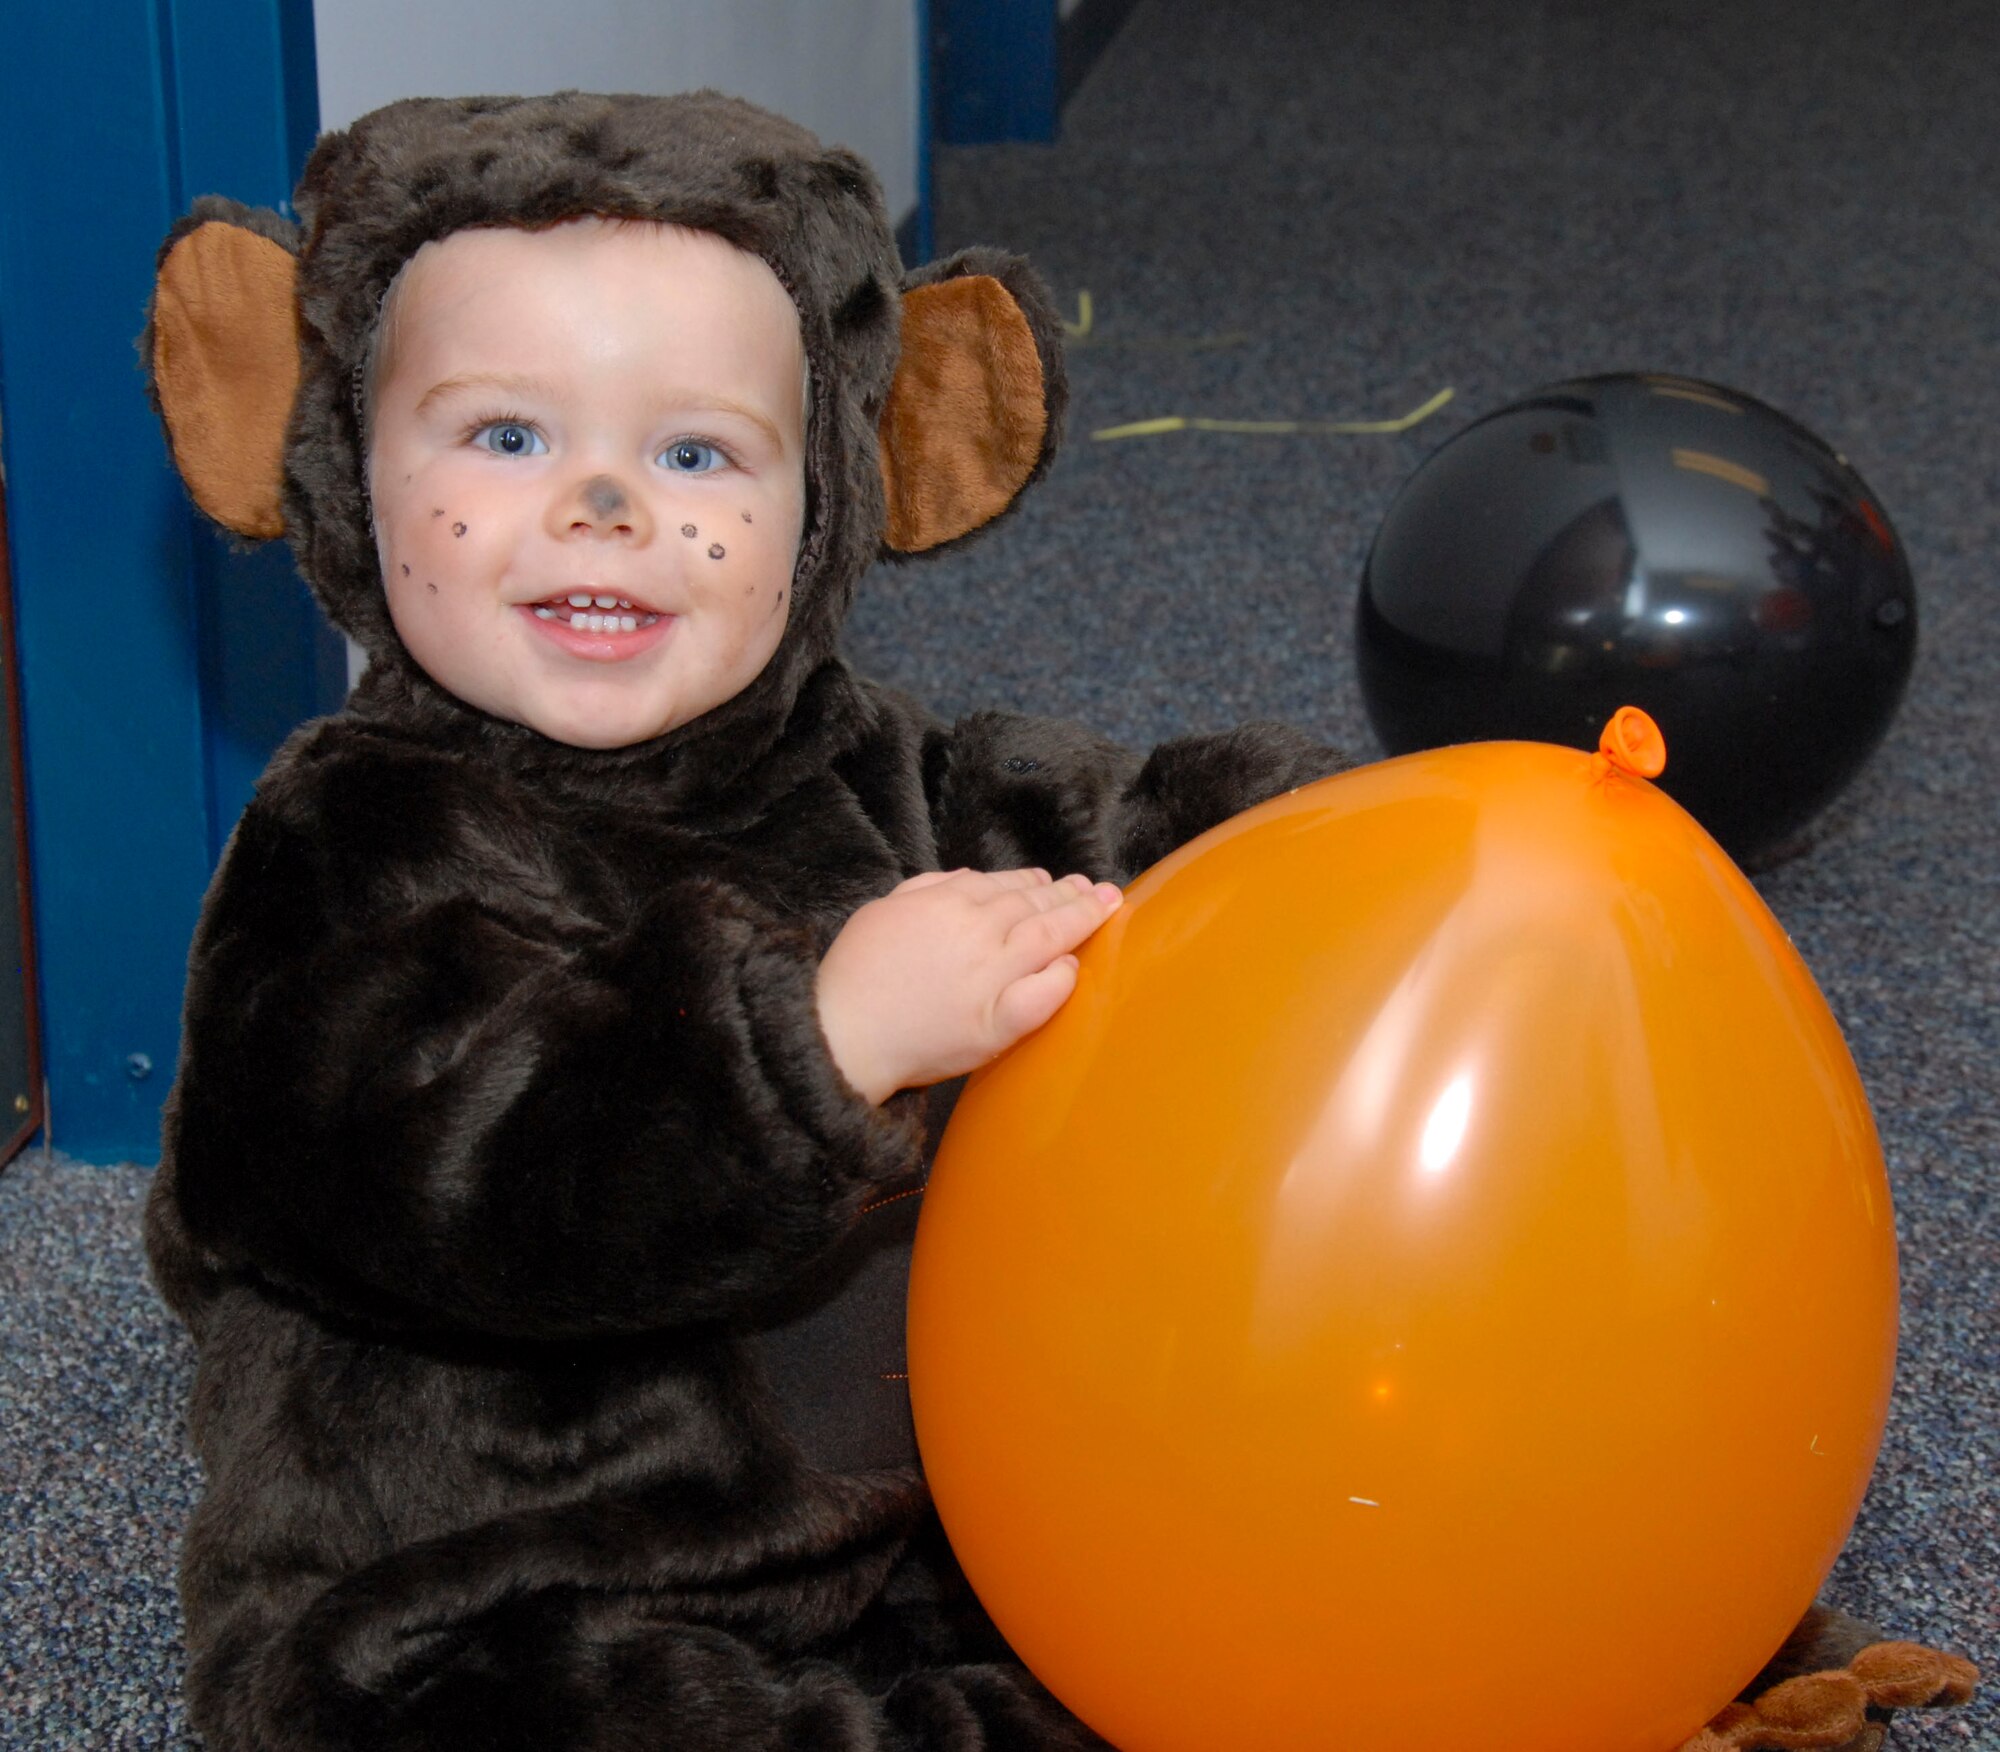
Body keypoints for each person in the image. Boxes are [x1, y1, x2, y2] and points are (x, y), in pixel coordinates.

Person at [141, 91, 1347, 1750]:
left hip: (911, 1521)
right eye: (504, 437)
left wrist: (1333, 846)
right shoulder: (351, 837)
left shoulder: (866, 761)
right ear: (341, 467)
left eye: (695, 452)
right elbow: (456, 1176)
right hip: (507, 1572)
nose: (604, 504)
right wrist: (817, 1041)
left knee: (1268, 1546)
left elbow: (1116, 831)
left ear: (836, 505)